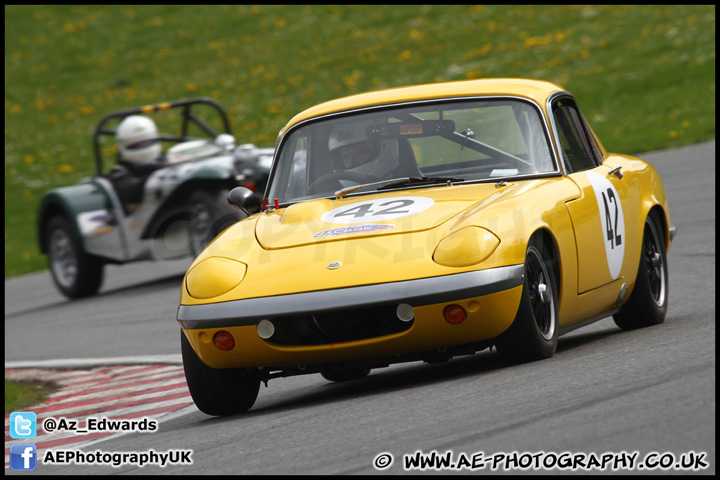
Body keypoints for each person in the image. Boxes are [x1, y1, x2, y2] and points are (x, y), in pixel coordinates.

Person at [109, 115, 165, 212]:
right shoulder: (120, 172)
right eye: (139, 144)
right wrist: (158, 170)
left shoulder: (165, 160)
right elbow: (130, 191)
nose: (144, 147)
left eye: (147, 142)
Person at [328, 120, 401, 180]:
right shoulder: (331, 194)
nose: (351, 162)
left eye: (360, 153)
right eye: (345, 157)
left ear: (384, 149)